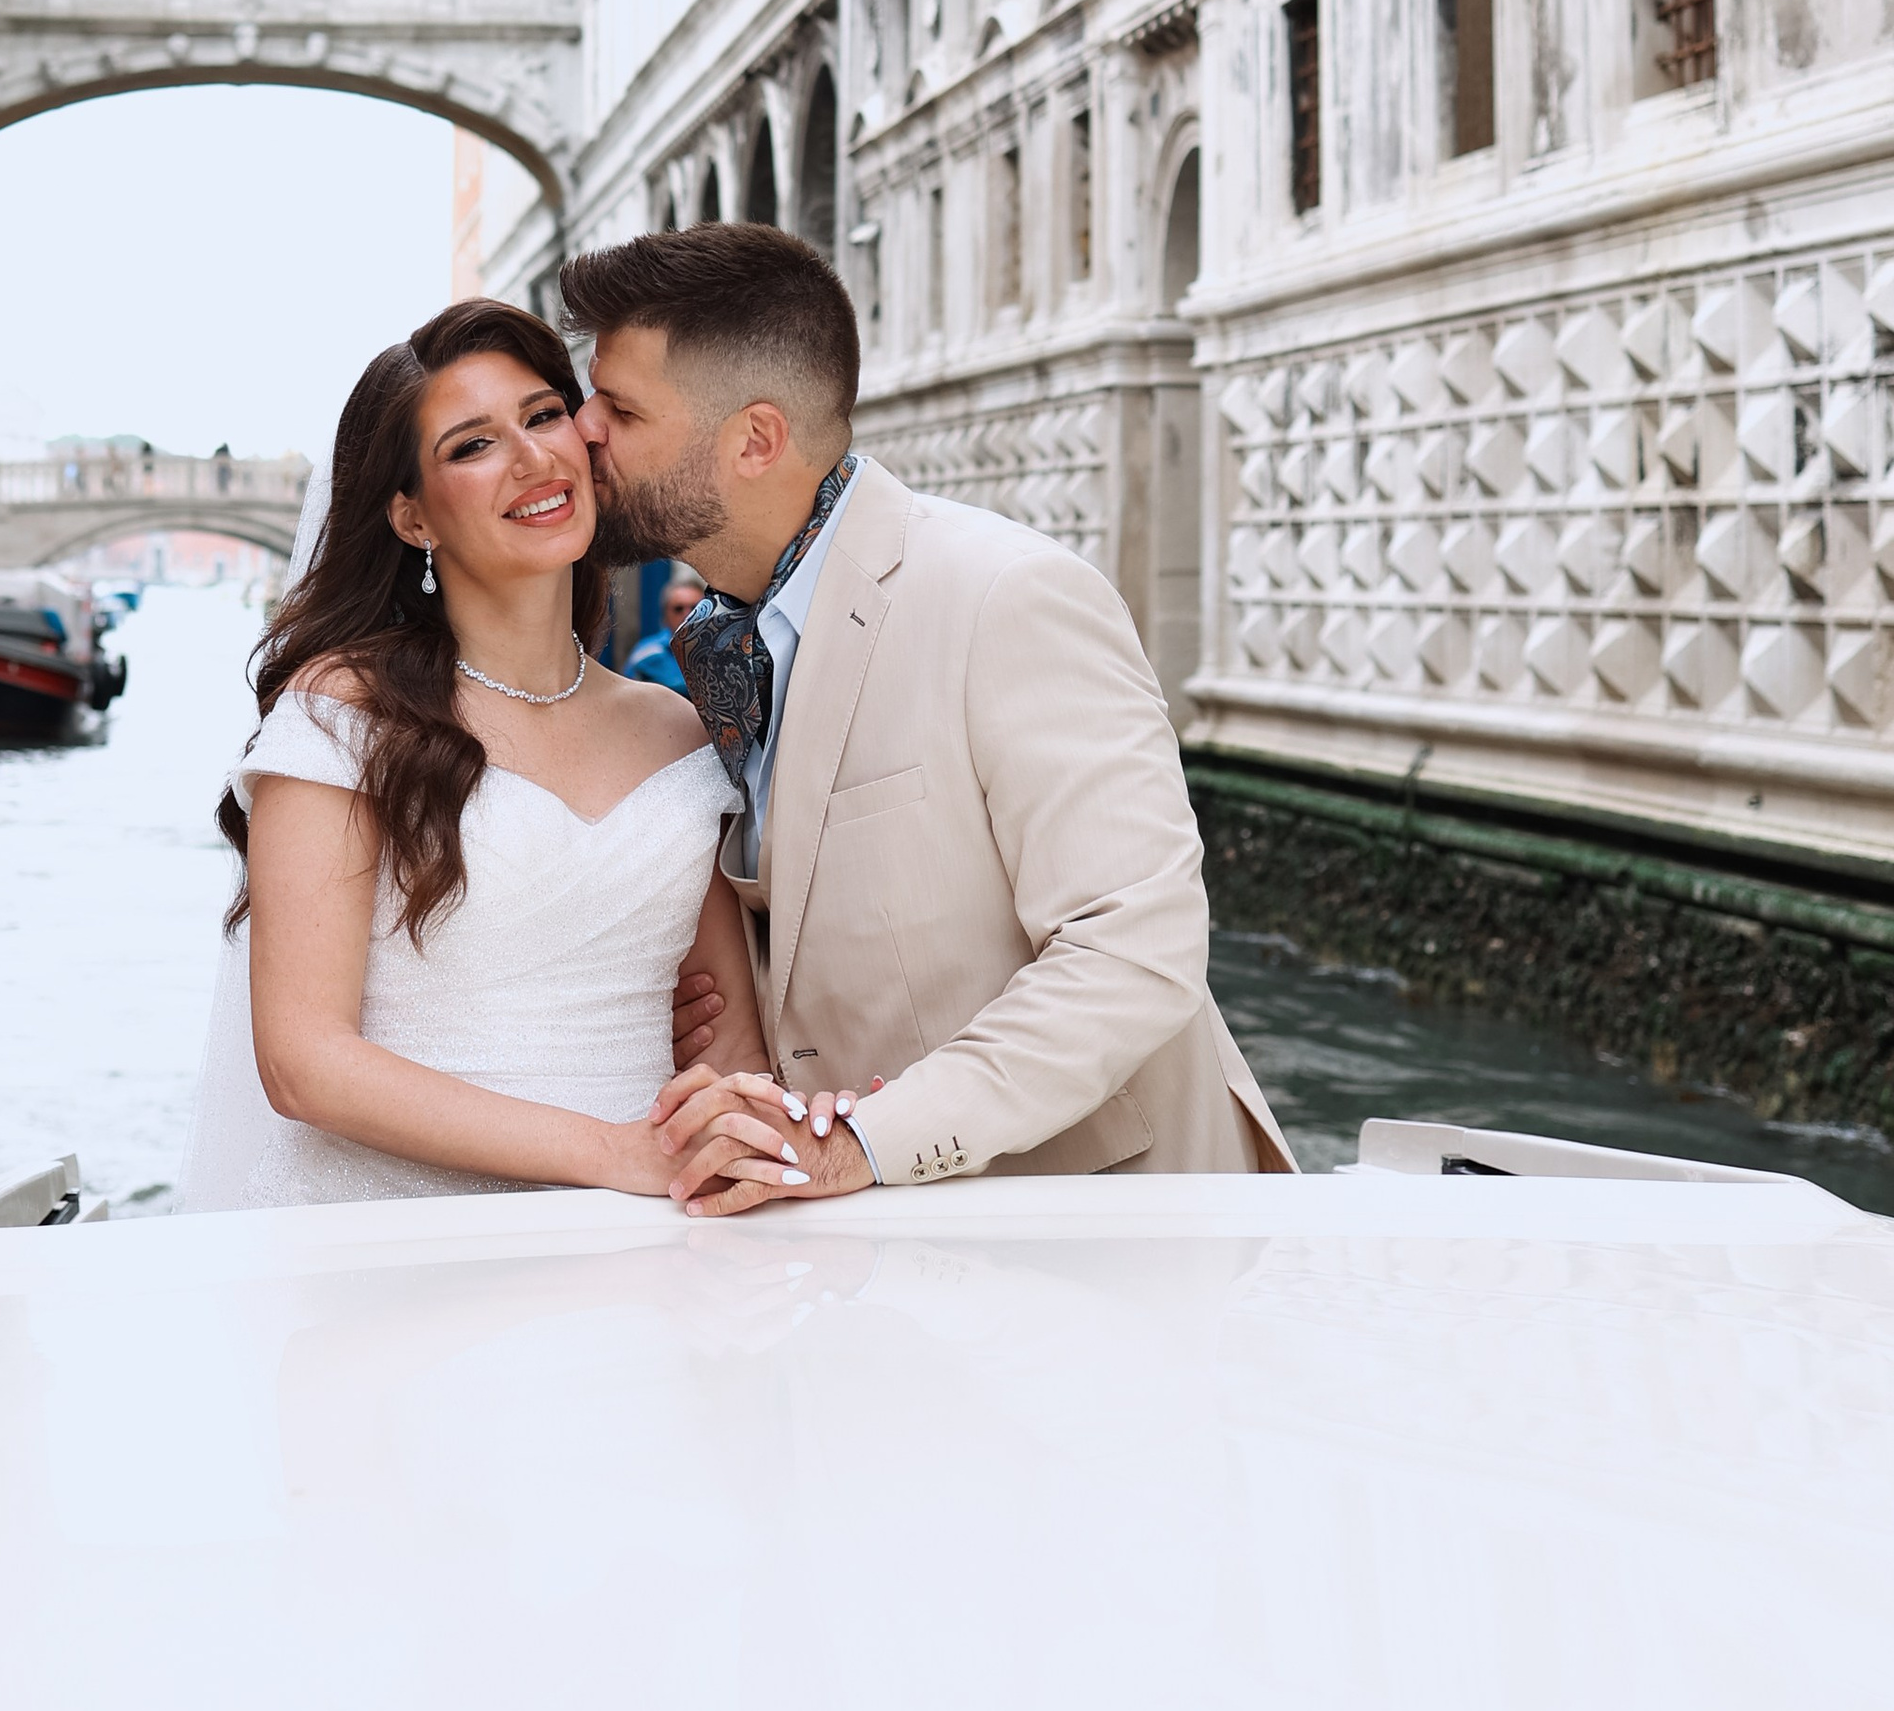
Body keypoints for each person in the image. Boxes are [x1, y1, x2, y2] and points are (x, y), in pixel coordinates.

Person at [562, 223, 1291, 1207]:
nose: (583, 429)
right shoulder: (720, 651)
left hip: (1110, 1232)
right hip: (880, 1269)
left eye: (619, 407)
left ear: (755, 440)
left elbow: (1131, 951)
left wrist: (861, 1140)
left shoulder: (1008, 596)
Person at [177, 299, 799, 1212]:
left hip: (650, 1233)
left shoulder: (675, 727)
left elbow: (729, 1039)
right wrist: (612, 1153)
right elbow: (303, 1063)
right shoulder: (345, 713)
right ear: (413, 519)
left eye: (544, 416)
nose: (533, 458)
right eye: (471, 446)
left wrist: (734, 1151)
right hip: (406, 1241)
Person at [621, 564, 706, 695]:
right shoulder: (646, 655)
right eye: (679, 609)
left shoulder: (724, 651)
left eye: (695, 608)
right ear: (665, 616)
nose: (688, 615)